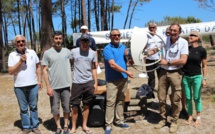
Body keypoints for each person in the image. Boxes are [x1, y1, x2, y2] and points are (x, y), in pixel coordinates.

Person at [148, 23, 189, 133]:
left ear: (179, 32)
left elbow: (183, 60)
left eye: (175, 30)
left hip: (176, 72)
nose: (173, 32)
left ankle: (174, 121)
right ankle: (162, 119)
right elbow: (156, 49)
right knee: (161, 97)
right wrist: (148, 53)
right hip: (163, 72)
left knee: (176, 99)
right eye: (171, 30)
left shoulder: (183, 43)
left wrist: (168, 62)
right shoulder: (165, 40)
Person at [8, 35, 42, 134]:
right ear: (15, 44)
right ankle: (26, 127)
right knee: (23, 109)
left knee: (33, 107)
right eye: (18, 42)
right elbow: (11, 71)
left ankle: (35, 126)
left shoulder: (32, 52)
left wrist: (39, 80)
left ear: (25, 42)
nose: (21, 43)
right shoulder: (12, 55)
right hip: (19, 86)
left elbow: (38, 66)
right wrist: (20, 61)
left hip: (33, 85)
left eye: (22, 41)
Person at [103, 29, 135, 134]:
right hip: (112, 80)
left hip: (123, 79)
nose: (117, 37)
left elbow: (131, 62)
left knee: (121, 101)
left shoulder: (123, 47)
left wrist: (129, 56)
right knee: (110, 102)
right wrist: (126, 71)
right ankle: (108, 125)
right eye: (114, 35)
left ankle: (120, 120)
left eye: (118, 35)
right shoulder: (107, 49)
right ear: (110, 37)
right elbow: (112, 64)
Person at [42, 31, 71, 134]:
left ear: (62, 39)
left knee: (67, 107)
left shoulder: (67, 51)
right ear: (53, 39)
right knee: (55, 109)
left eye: (60, 38)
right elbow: (44, 70)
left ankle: (66, 126)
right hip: (53, 86)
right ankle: (58, 127)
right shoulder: (47, 53)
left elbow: (73, 61)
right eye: (56, 38)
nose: (58, 40)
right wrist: (48, 87)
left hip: (66, 85)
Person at [70, 34, 97, 134]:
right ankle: (73, 127)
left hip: (88, 82)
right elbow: (70, 63)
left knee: (86, 105)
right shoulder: (73, 52)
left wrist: (96, 82)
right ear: (80, 42)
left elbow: (94, 68)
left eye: (87, 41)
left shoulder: (92, 53)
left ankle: (84, 125)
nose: (85, 43)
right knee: (75, 106)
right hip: (76, 83)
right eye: (83, 41)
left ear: (89, 42)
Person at [182, 31, 207, 127]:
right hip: (186, 77)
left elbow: (204, 66)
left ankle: (198, 117)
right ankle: (190, 116)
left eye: (193, 35)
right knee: (188, 98)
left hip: (197, 76)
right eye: (190, 35)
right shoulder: (186, 49)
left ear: (198, 38)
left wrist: (204, 79)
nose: (190, 36)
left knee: (196, 98)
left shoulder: (202, 50)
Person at [143, 22, 162, 90]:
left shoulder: (160, 36)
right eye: (150, 27)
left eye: (153, 27)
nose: (152, 29)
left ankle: (161, 88)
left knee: (160, 75)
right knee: (150, 75)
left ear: (156, 28)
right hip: (149, 59)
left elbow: (162, 46)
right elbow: (143, 47)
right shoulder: (146, 36)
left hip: (158, 59)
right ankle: (150, 89)